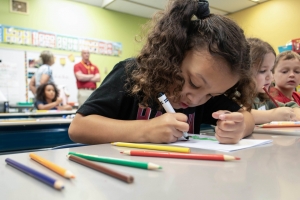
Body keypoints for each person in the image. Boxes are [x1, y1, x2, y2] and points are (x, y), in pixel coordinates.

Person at [69, 0, 256, 145]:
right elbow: (79, 127)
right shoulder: (132, 73)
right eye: (193, 82)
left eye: (211, 95)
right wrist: (146, 130)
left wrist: (239, 128)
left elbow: (246, 116)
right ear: (172, 55)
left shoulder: (206, 90)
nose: (196, 100)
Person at [248, 38, 300, 124]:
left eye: (271, 70)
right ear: (243, 72)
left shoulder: (263, 97)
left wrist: (294, 112)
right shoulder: (237, 97)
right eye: (263, 71)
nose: (270, 77)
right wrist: (271, 115)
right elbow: (240, 114)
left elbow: (289, 107)